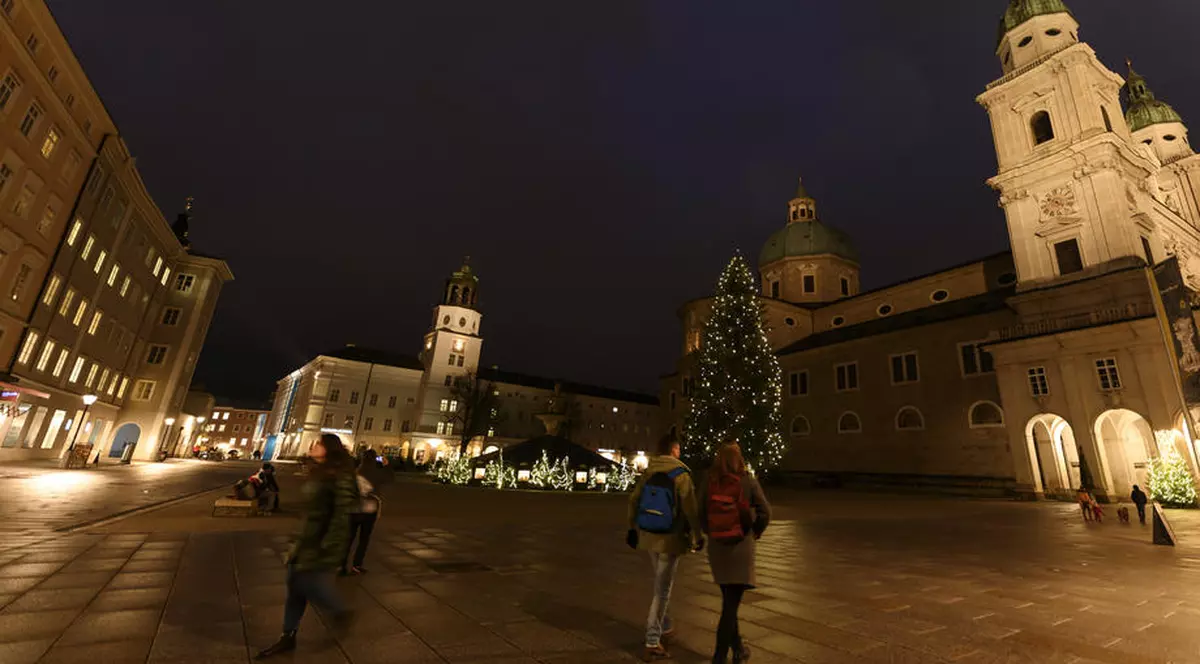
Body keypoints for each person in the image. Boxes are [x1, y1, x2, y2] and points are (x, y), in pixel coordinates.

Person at [256, 434, 357, 659]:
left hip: (319, 543)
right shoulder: (318, 472)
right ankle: (287, 635)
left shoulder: (340, 477)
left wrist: (328, 545)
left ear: (329, 449)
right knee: (294, 589)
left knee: (305, 584)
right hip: (305, 540)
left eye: (317, 443)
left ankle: (339, 611)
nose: (312, 446)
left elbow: (341, 515)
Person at [627, 434, 703, 662]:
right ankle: (652, 639)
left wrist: (632, 528)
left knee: (660, 583)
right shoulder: (681, 474)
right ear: (674, 450)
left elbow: (633, 500)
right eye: (678, 449)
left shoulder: (649, 471)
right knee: (662, 590)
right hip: (671, 538)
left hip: (649, 535)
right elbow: (690, 509)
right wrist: (698, 535)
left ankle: (666, 624)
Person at [701, 442, 771, 664]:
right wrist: (755, 531)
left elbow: (699, 510)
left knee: (729, 601)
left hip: (717, 549)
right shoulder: (747, 480)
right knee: (730, 606)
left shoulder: (709, 481)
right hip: (741, 547)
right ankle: (719, 657)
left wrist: (710, 531)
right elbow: (766, 511)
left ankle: (739, 648)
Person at [341, 457, 382, 575]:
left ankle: (342, 565)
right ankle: (357, 565)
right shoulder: (375, 475)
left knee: (348, 538)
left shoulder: (355, 475)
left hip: (354, 511)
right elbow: (390, 478)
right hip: (369, 511)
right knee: (364, 539)